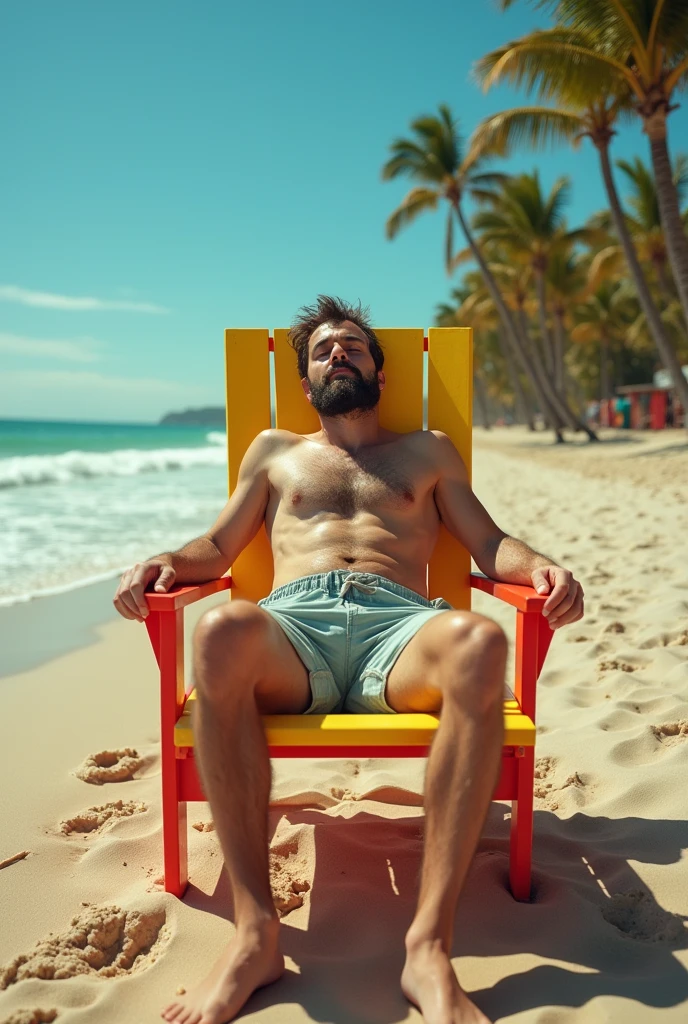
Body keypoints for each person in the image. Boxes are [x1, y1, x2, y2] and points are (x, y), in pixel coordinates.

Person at [114, 295, 584, 1024]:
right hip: (293, 625)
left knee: (481, 640)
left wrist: (543, 566)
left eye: (355, 347)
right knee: (217, 632)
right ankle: (255, 935)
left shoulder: (427, 451)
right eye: (326, 350)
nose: (340, 355)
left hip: (400, 628)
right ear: (306, 383)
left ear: (378, 371)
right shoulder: (273, 451)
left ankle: (428, 949)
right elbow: (217, 548)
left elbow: (490, 544)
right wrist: (163, 560)